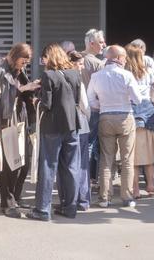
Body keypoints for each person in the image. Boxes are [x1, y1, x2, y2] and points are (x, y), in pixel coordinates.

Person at [31, 44, 82, 220]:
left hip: (52, 127)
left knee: (47, 166)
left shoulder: (48, 75)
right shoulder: (75, 73)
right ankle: (70, 207)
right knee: (71, 167)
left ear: (49, 57)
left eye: (44, 57)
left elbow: (46, 104)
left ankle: (43, 210)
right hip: (72, 125)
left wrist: (36, 100)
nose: (42, 61)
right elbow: (75, 99)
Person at [88, 44, 141, 211]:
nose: (125, 60)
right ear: (118, 58)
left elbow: (90, 100)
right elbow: (138, 99)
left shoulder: (96, 76)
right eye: (124, 57)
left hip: (105, 116)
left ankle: (104, 198)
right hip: (125, 116)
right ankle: (127, 197)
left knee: (106, 159)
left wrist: (101, 104)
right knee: (127, 159)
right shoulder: (126, 75)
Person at [0, 42, 40, 217]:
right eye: (24, 61)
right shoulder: (1, 69)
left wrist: (31, 88)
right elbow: (2, 96)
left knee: (23, 162)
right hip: (7, 119)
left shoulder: (18, 71)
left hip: (20, 117)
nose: (25, 65)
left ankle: (16, 196)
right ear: (15, 56)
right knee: (9, 163)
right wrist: (24, 88)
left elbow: (22, 93)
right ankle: (7, 202)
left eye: (27, 62)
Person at [125, 39, 154, 198]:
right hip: (148, 114)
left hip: (130, 114)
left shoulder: (125, 72)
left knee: (133, 155)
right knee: (149, 154)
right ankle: (150, 186)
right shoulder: (150, 70)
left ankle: (135, 190)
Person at [77, 29, 105, 210]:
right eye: (101, 42)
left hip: (78, 109)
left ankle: (82, 186)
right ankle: (89, 186)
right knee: (95, 147)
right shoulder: (97, 64)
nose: (103, 45)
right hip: (94, 109)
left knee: (82, 148)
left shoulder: (76, 59)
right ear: (91, 43)